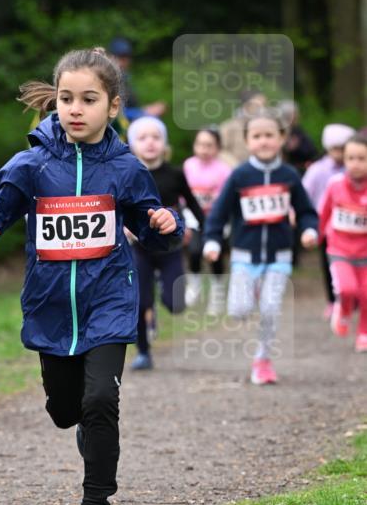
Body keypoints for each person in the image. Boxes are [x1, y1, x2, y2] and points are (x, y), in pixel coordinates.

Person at [0, 47, 183, 505]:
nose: (75, 109)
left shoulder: (125, 168)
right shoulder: (33, 164)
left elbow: (153, 223)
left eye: (88, 99)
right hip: (52, 305)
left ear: (114, 106)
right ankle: (83, 425)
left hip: (109, 300)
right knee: (67, 409)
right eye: (65, 98)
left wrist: (166, 224)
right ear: (54, 101)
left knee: (102, 400)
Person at [203, 109, 319, 385]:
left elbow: (305, 210)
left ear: (281, 138)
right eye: (257, 136)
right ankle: (250, 294)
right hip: (244, 255)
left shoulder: (289, 175)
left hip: (279, 255)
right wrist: (212, 240)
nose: (263, 141)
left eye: (269, 135)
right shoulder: (240, 176)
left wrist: (309, 229)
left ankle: (263, 360)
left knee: (270, 309)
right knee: (239, 310)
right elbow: (219, 212)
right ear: (247, 140)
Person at [126, 116, 204, 369]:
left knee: (176, 303)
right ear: (132, 145)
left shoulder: (176, 175)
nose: (150, 143)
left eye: (156, 137)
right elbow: (116, 209)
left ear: (164, 143)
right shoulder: (127, 175)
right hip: (139, 249)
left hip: (171, 248)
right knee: (139, 301)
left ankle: (162, 297)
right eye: (142, 138)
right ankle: (144, 352)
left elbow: (193, 205)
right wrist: (123, 229)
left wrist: (195, 227)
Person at [318, 134, 367, 352]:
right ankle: (344, 310)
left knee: (365, 293)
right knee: (347, 289)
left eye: (361, 159)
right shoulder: (335, 184)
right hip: (339, 248)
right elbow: (324, 212)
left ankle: (364, 333)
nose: (355, 164)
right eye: (350, 158)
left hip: (365, 252)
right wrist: (315, 234)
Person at [303, 124, 356, 318]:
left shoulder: (355, 168)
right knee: (328, 265)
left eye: (343, 149)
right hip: (326, 224)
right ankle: (332, 300)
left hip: (352, 227)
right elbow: (304, 194)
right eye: (335, 149)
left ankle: (353, 297)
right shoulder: (317, 170)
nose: (339, 154)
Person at [183, 127, 233, 313]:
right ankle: (194, 287)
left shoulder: (224, 170)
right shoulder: (188, 165)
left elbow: (225, 198)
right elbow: (184, 192)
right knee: (195, 251)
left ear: (218, 148)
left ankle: (217, 294)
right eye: (200, 145)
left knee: (215, 255)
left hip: (217, 219)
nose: (204, 149)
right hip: (194, 217)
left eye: (209, 145)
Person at [219, 91, 267, 167]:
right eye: (258, 106)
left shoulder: (265, 127)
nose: (262, 109)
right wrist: (237, 167)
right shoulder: (229, 126)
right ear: (246, 106)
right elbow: (220, 150)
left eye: (263, 105)